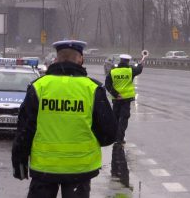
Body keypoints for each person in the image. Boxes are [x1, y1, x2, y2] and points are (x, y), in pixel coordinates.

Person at [11, 40, 118, 198]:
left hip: (44, 170)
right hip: (80, 170)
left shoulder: (39, 87)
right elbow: (109, 133)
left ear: (56, 59)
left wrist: (19, 161)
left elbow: (25, 130)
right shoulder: (92, 89)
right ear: (81, 59)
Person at [105, 54, 146, 144]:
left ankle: (115, 136)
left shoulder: (113, 72)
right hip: (126, 100)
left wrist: (115, 94)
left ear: (120, 60)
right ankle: (120, 138)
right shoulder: (130, 71)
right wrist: (141, 63)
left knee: (115, 118)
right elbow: (139, 69)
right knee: (123, 119)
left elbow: (107, 85)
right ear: (128, 61)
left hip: (116, 99)